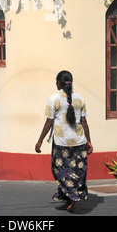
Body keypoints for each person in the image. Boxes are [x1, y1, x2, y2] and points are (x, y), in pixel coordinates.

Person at [35, 70, 93, 213]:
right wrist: (89, 141)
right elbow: (84, 122)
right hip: (79, 142)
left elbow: (49, 122)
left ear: (58, 83)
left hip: (61, 144)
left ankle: (71, 198)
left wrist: (40, 141)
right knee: (77, 172)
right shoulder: (80, 99)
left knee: (59, 171)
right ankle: (70, 200)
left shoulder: (53, 99)